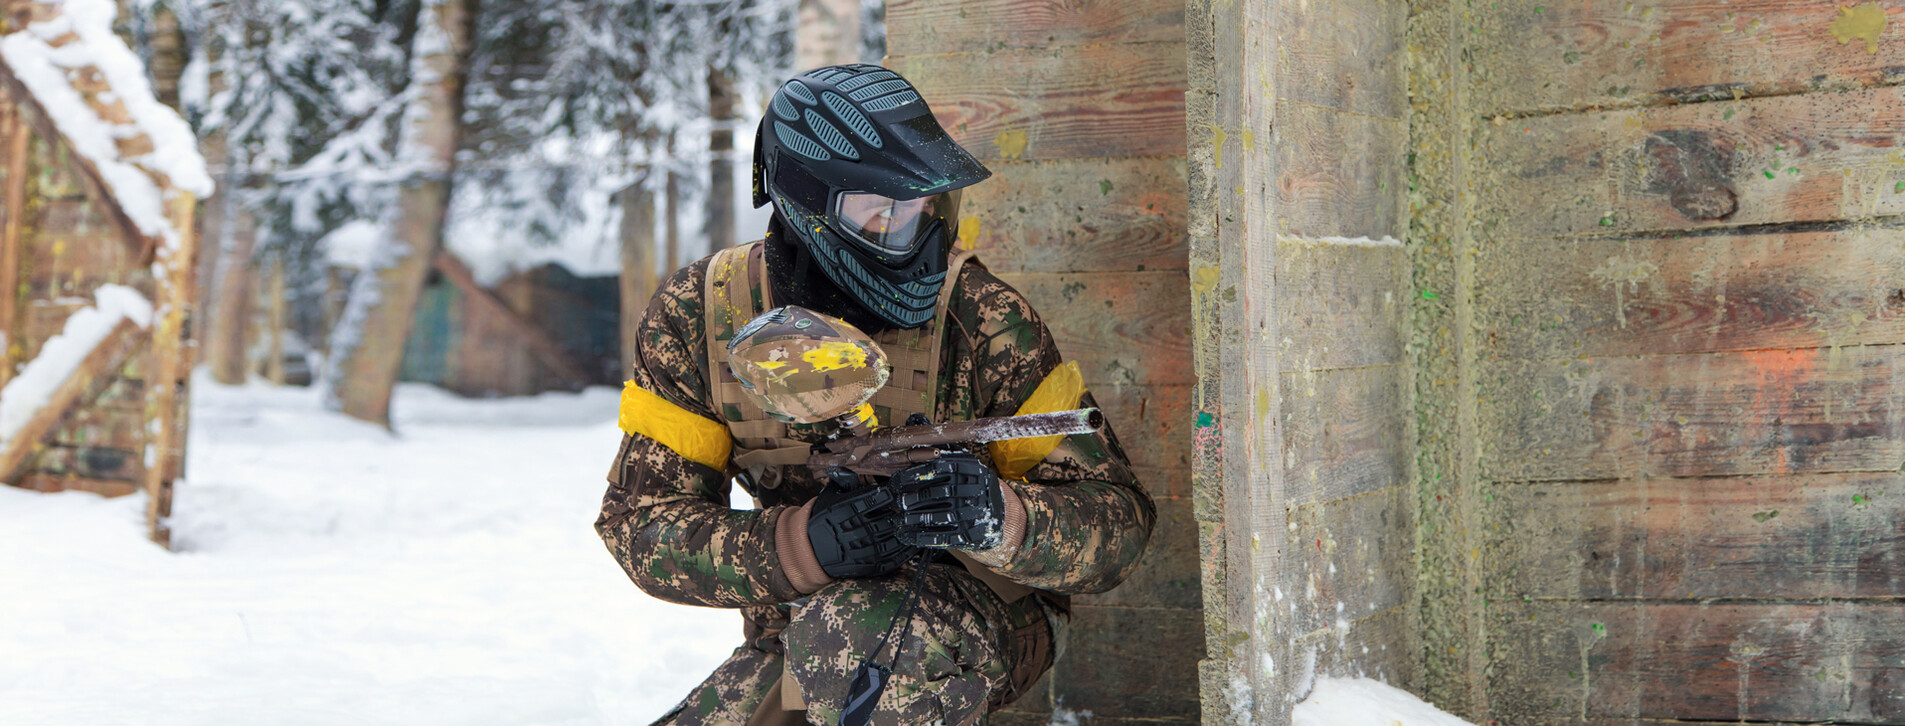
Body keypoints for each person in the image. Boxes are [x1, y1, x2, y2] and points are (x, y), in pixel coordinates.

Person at [596, 63, 1155, 726]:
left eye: (921, 207)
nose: (912, 232)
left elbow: (1117, 525)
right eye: (882, 211)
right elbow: (641, 526)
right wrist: (803, 545)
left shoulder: (982, 319)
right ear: (809, 209)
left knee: (857, 635)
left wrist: (1000, 517)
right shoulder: (701, 318)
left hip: (982, 618)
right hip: (804, 628)